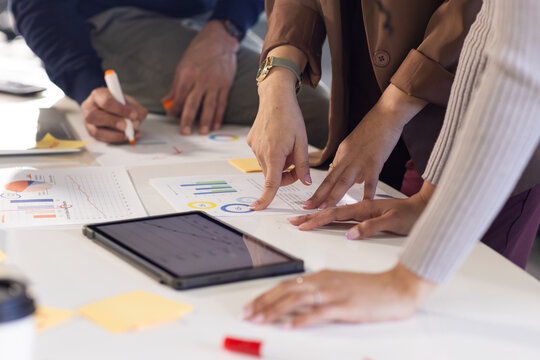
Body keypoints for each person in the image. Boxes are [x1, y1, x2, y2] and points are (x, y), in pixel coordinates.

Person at [244, 0, 540, 327]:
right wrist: (276, 78)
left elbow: (522, 64)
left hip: (484, 135)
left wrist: (407, 282)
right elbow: (487, 28)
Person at [11, 0, 329, 147]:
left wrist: (226, 28)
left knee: (310, 102)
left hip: (212, 15)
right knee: (319, 112)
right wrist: (86, 83)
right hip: (117, 19)